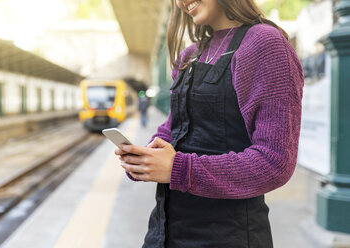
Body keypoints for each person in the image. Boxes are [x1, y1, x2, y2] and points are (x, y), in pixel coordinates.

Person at [115, 0, 304, 247]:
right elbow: (173, 128)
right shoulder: (191, 54)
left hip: (229, 236)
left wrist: (178, 169)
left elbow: (275, 162)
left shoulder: (264, 43)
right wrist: (146, 158)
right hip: (164, 232)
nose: (182, 2)